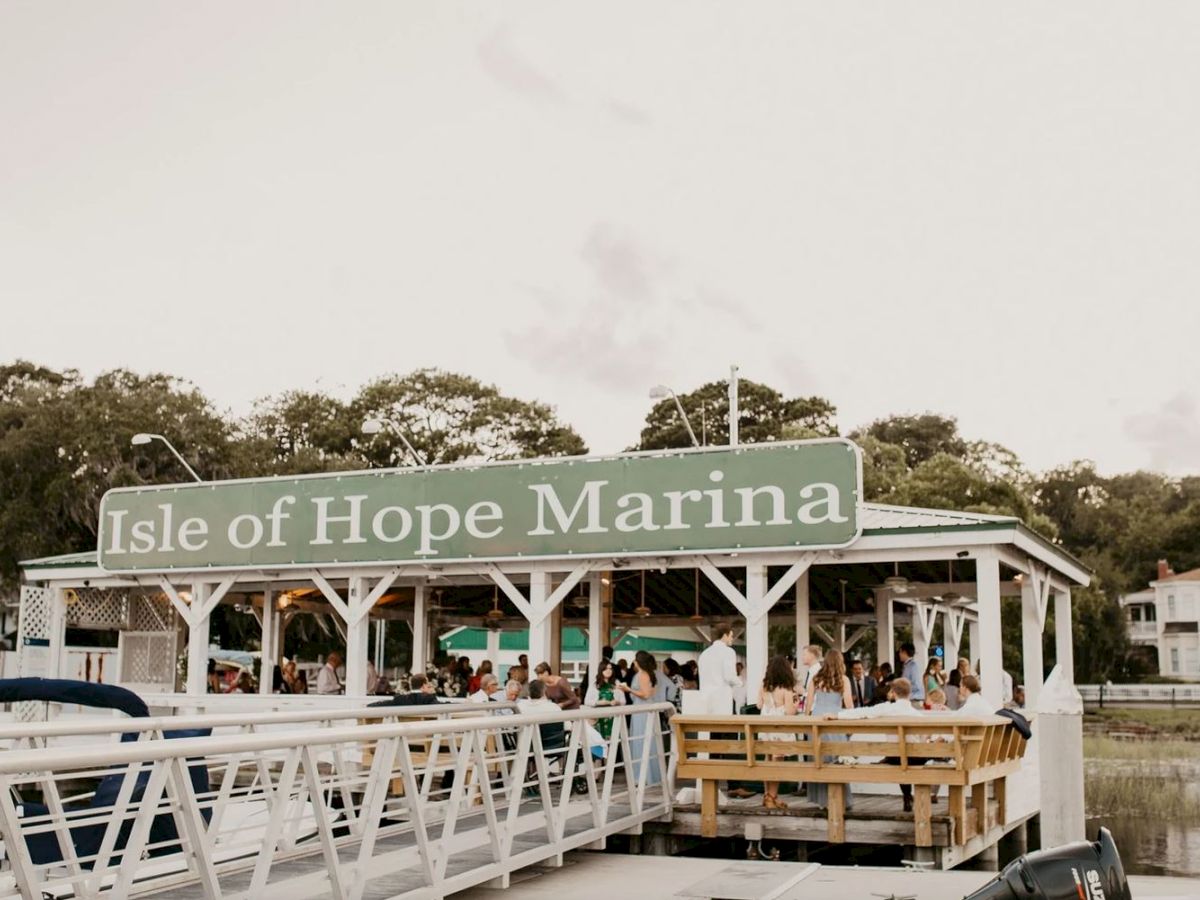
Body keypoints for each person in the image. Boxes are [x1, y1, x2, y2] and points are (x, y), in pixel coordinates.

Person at [832, 678, 923, 811]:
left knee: (899, 756)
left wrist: (838, 716)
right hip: (915, 758)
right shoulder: (917, 714)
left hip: (895, 757)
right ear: (909, 694)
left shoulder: (887, 708)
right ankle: (909, 796)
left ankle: (907, 796)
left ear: (893, 692)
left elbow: (863, 712)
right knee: (907, 755)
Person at [805, 649, 854, 810]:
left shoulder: (816, 678)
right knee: (836, 760)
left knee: (820, 760)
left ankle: (822, 801)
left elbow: (808, 704)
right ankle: (840, 800)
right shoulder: (844, 680)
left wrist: (807, 722)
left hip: (817, 721)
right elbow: (849, 705)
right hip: (834, 719)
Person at [618, 651, 664, 786]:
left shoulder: (642, 675)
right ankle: (649, 775)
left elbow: (645, 694)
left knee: (641, 741)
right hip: (646, 709)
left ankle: (642, 776)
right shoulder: (651, 674)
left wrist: (628, 689)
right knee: (648, 741)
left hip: (641, 710)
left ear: (638, 662)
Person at [758, 655, 798, 809]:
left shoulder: (764, 685)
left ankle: (767, 795)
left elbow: (759, 705)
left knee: (768, 760)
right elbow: (789, 712)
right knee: (777, 762)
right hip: (779, 728)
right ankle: (772, 797)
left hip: (765, 726)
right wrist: (796, 704)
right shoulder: (786, 688)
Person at [697, 623, 740, 715]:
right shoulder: (729, 652)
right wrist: (740, 683)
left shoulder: (704, 654)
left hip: (705, 698)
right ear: (725, 635)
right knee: (725, 728)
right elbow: (729, 677)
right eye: (731, 636)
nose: (732, 639)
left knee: (708, 727)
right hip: (722, 699)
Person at [584, 659, 626, 739]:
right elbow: (587, 701)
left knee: (613, 741)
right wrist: (600, 702)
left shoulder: (617, 683)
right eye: (606, 669)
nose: (608, 671)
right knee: (599, 741)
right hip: (598, 717)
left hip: (613, 717)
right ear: (601, 670)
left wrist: (617, 702)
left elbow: (623, 701)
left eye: (610, 669)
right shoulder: (595, 684)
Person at [370, 672, 441, 707]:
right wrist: (433, 693)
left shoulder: (400, 699)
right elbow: (442, 706)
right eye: (428, 684)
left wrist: (368, 706)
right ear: (423, 685)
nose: (429, 685)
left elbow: (383, 704)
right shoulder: (428, 699)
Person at [797, 645, 822, 711]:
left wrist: (803, 692)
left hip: (813, 711)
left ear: (812, 656)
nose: (802, 657)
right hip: (808, 709)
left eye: (804, 654)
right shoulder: (811, 671)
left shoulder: (818, 672)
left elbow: (818, 695)